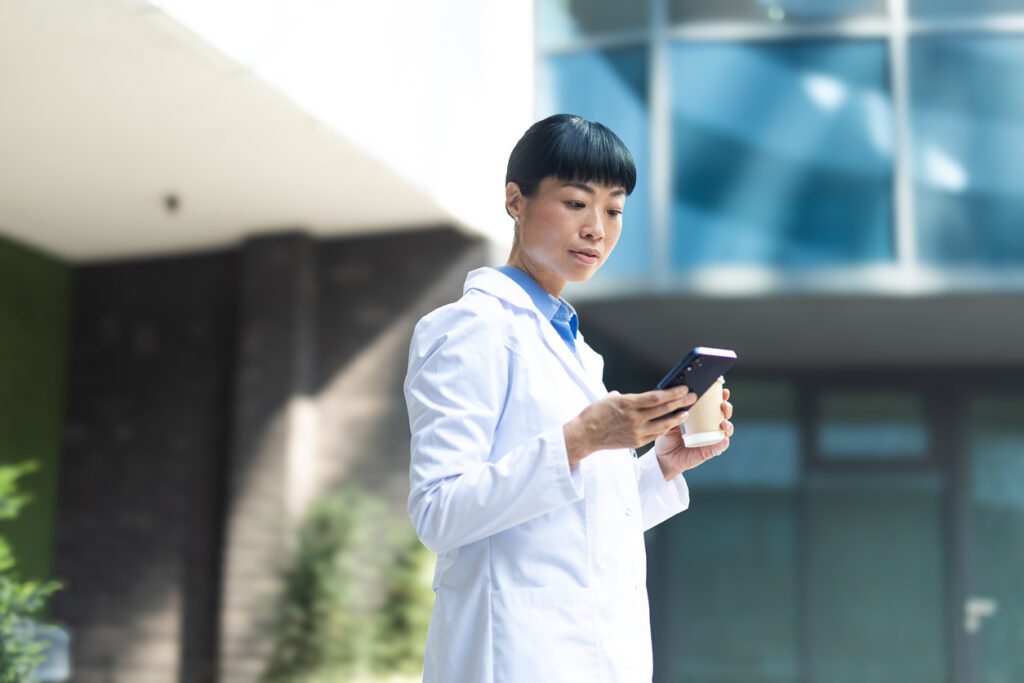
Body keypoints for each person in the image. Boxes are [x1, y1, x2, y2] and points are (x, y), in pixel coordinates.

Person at [404, 114, 735, 682]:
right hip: (513, 657)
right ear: (516, 200)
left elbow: (579, 521)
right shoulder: (470, 327)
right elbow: (438, 511)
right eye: (577, 203)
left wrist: (660, 466)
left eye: (614, 210)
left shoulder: (574, 347)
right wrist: (583, 438)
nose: (597, 228)